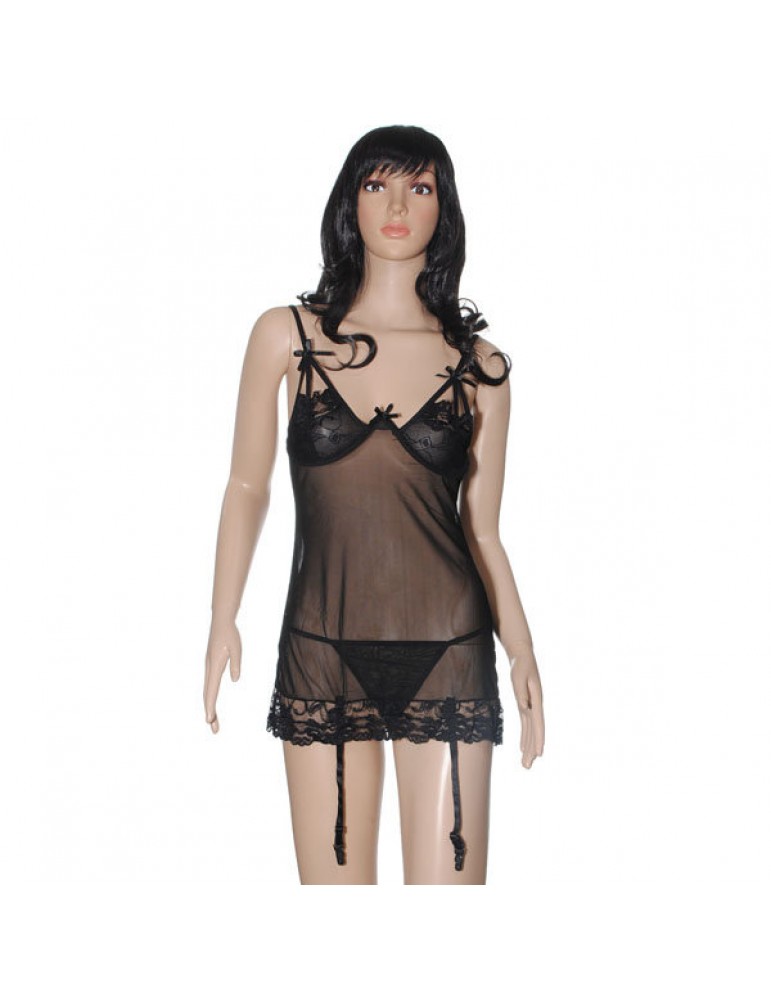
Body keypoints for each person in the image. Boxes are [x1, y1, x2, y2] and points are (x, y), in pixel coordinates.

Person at [204, 125, 545, 885]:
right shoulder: (287, 337)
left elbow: (483, 533)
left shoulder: (479, 367)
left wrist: (521, 649)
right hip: (322, 645)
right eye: (376, 184)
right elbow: (246, 486)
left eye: (418, 188)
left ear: (443, 209)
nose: (396, 206)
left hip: (449, 645)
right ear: (348, 201)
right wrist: (222, 615)